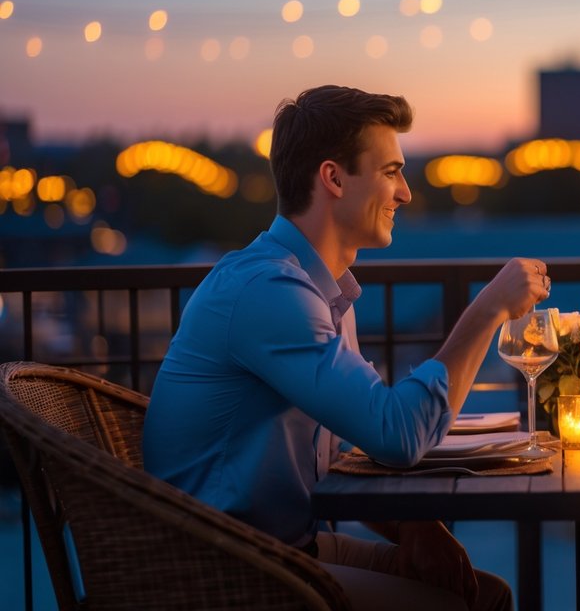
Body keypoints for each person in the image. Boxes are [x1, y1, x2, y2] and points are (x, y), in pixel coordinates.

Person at [144, 85, 549, 611]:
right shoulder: (270, 292)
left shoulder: (322, 292)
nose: (404, 193)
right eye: (390, 172)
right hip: (223, 569)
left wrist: (412, 527)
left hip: (284, 546)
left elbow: (347, 449)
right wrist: (488, 309)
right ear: (333, 178)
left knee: (486, 595)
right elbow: (397, 433)